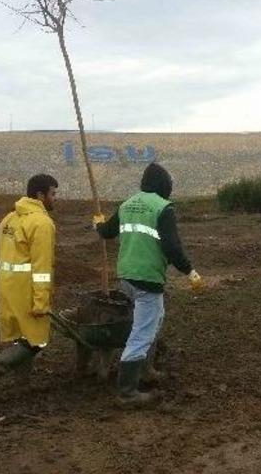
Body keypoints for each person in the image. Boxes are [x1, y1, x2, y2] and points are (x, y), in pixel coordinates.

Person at [93, 163, 206, 407]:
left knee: (154, 318)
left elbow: (106, 233)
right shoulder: (162, 208)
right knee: (142, 332)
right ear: (164, 186)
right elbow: (172, 247)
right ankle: (127, 391)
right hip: (148, 279)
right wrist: (190, 271)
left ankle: (145, 369)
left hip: (126, 276)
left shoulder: (127, 204)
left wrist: (98, 224)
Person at [0, 174, 58, 401]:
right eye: (53, 194)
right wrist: (41, 301)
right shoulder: (42, 223)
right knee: (37, 339)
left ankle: (23, 385)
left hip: (7, 287)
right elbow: (42, 267)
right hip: (26, 290)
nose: (55, 199)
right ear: (40, 196)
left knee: (23, 337)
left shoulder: (9, 219)